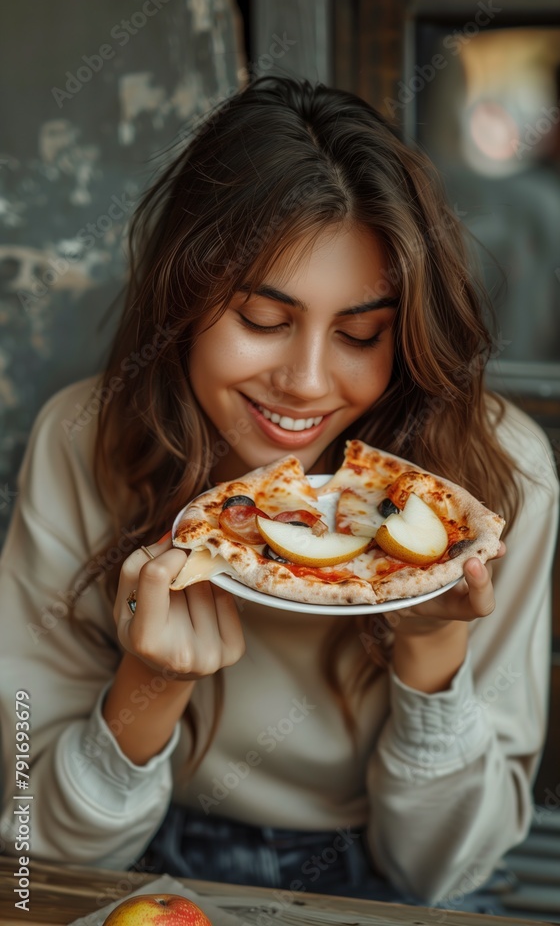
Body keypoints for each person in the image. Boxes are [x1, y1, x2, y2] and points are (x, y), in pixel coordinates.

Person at [0, 77, 558, 911]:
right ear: (181, 298)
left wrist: (432, 662)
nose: (304, 383)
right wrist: (148, 685)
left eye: (361, 334)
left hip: (382, 869)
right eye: (263, 319)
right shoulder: (84, 440)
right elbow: (30, 848)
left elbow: (446, 875)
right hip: (143, 853)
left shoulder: (491, 478)